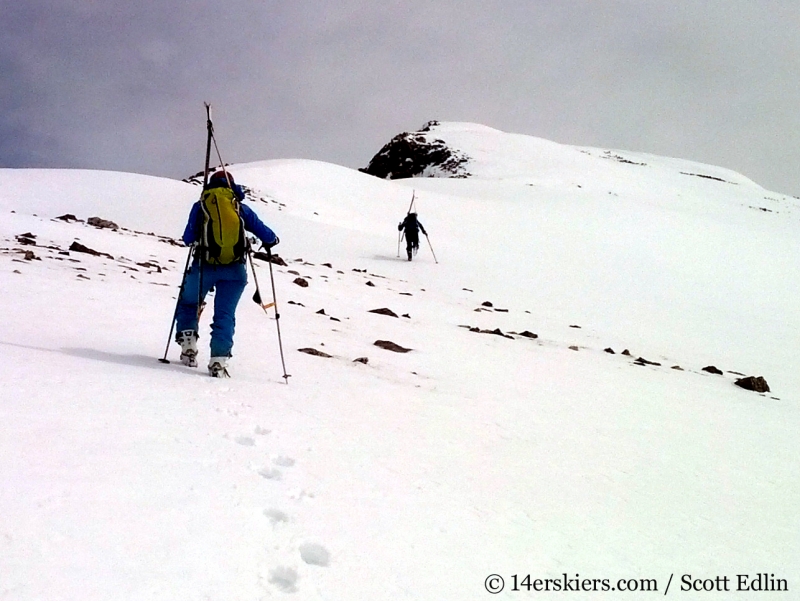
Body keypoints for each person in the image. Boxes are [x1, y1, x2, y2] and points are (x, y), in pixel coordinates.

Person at [175, 170, 279, 377]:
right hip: (235, 270)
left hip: (204, 266)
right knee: (224, 314)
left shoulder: (201, 205)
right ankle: (218, 360)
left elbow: (188, 237)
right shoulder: (239, 207)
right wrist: (271, 240)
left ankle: (188, 345)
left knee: (188, 303)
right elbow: (266, 234)